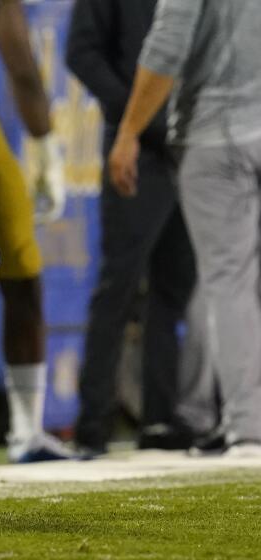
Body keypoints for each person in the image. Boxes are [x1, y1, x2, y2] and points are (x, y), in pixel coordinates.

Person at [108, 0, 261, 456]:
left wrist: (129, 131)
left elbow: (168, 46)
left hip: (218, 134)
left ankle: (249, 428)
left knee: (228, 280)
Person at [66, 0, 212, 456]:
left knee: (174, 291)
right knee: (119, 286)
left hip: (188, 148)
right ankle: (94, 425)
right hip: (135, 151)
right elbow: (81, 53)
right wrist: (135, 115)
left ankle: (160, 420)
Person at [0, 0, 72, 463]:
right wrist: (45, 142)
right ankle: (21, 430)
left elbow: (19, 55)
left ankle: (13, 432)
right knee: (12, 270)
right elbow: (19, 57)